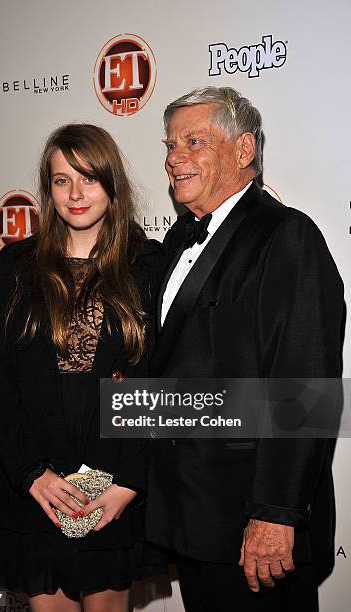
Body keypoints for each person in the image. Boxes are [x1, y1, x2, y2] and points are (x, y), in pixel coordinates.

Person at [146, 87, 345, 611]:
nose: (173, 156)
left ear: (243, 150)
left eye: (194, 141)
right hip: (190, 520)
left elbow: (307, 387)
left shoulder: (287, 235)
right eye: (170, 144)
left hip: (252, 529)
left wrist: (277, 513)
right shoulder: (174, 244)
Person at [0, 123, 162, 612]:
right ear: (48, 189)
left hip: (114, 482)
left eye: (89, 178)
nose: (76, 193)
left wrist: (129, 482)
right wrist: (31, 474)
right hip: (40, 487)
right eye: (62, 180)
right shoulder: (18, 265)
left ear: (112, 184)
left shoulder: (148, 265)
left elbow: (158, 381)